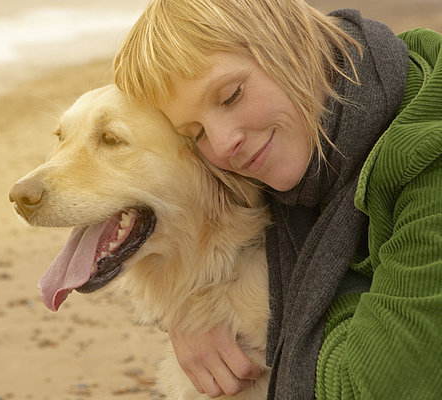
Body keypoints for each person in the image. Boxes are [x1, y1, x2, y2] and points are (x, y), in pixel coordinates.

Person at [113, 0, 442, 398]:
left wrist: (252, 319)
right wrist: (194, 313)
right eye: (196, 132)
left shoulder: (427, 158)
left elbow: (372, 386)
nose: (223, 143)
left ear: (292, 44)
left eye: (231, 96)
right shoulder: (305, 159)